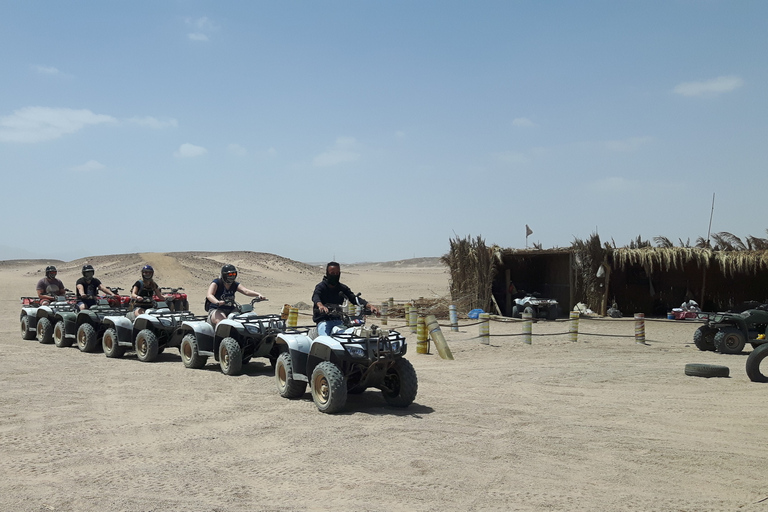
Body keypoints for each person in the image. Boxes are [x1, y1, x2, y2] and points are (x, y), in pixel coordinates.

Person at [312, 261, 379, 336]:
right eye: (332, 273)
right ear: (327, 273)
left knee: (350, 336)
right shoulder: (321, 287)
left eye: (337, 273)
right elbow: (316, 297)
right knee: (325, 340)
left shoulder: (342, 288)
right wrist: (320, 305)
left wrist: (369, 306)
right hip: (323, 321)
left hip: (339, 321)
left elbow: (354, 299)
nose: (335, 275)